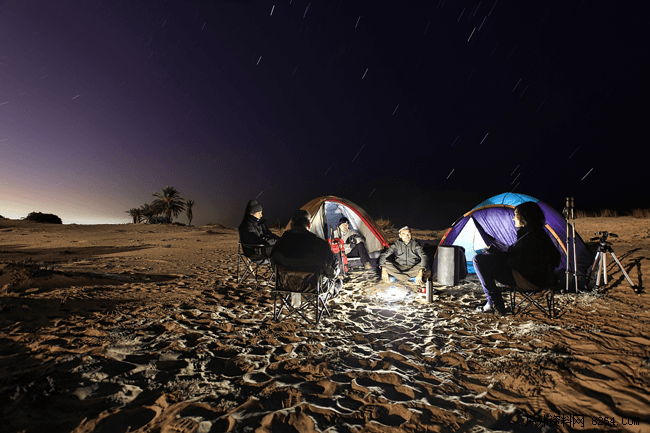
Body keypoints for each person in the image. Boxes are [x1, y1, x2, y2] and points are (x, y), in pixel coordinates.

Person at [473, 201, 561, 315]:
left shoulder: (531, 238)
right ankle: (492, 301)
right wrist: (495, 252)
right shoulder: (538, 234)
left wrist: (495, 255)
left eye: (515, 215)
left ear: (525, 217)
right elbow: (554, 259)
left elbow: (514, 262)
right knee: (487, 258)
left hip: (529, 280)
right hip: (542, 280)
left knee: (479, 260)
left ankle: (493, 303)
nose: (513, 218)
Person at [271, 210, 338, 280]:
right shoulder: (321, 245)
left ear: (291, 225)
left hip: (285, 283)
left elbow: (274, 265)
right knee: (337, 281)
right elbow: (332, 274)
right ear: (309, 224)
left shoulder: (279, 244)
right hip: (314, 284)